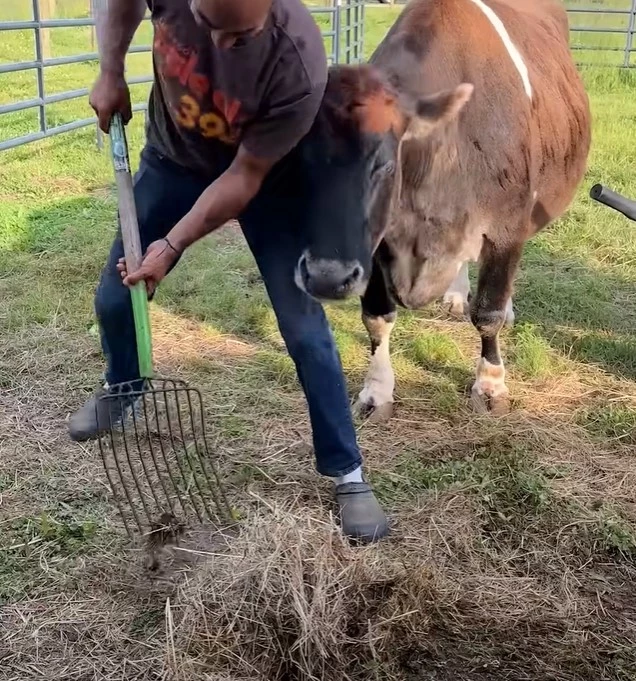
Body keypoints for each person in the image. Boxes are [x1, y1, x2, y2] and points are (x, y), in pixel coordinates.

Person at [68, 0, 388, 544]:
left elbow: (244, 178)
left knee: (305, 332)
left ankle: (347, 472)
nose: (218, 47)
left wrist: (171, 245)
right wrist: (110, 69)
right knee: (114, 298)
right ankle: (124, 385)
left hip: (262, 181)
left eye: (239, 37)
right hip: (173, 160)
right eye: (208, 26)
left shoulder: (298, 60)